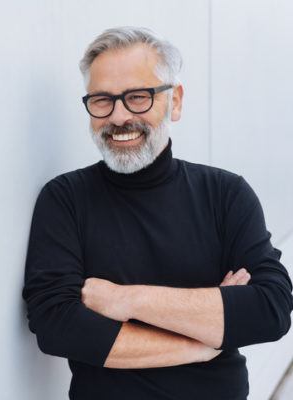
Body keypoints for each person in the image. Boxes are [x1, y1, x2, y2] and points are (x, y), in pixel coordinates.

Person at [21, 26, 293, 400]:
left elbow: (270, 308)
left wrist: (126, 300)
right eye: (102, 99)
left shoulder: (225, 194)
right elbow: (57, 324)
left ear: (175, 101)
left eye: (138, 97)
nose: (118, 117)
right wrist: (200, 340)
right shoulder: (65, 199)